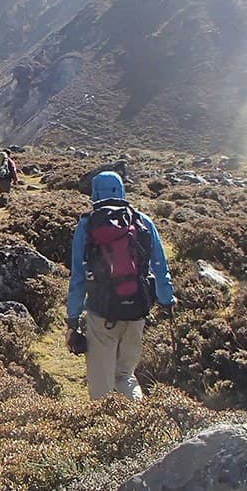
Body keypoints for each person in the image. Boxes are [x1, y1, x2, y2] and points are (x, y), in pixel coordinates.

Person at [66, 171, 175, 400]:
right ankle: (138, 421)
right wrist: (167, 300)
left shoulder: (87, 225)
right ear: (122, 190)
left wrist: (73, 320)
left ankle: (103, 429)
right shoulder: (142, 221)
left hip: (101, 313)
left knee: (101, 383)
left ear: (94, 193)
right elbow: (160, 266)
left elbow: (78, 277)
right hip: (136, 310)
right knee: (125, 374)